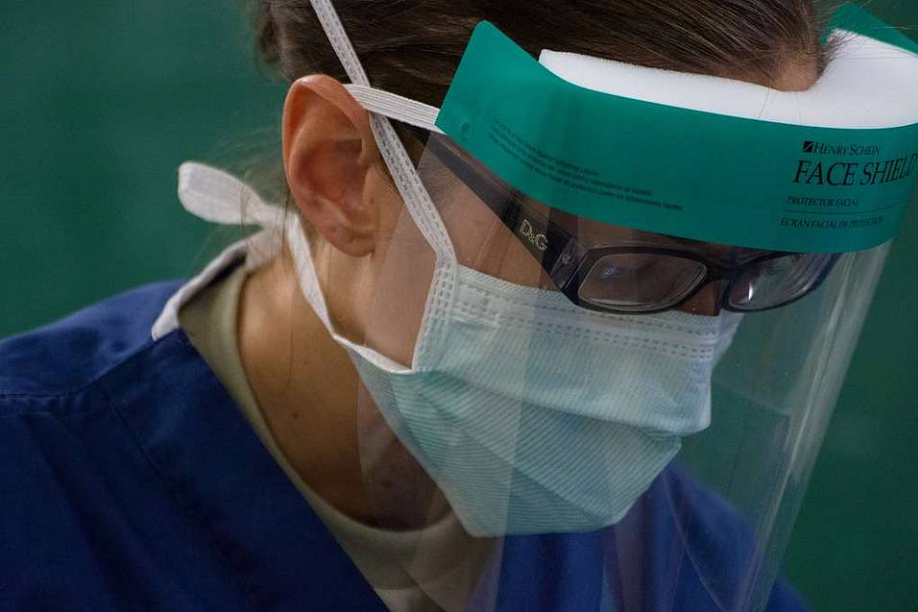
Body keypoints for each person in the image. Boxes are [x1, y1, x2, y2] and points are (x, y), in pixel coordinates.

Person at [2, 1, 917, 611]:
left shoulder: (674, 566)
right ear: (342, 173)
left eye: (755, 273)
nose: (689, 362)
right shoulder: (37, 511)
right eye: (629, 268)